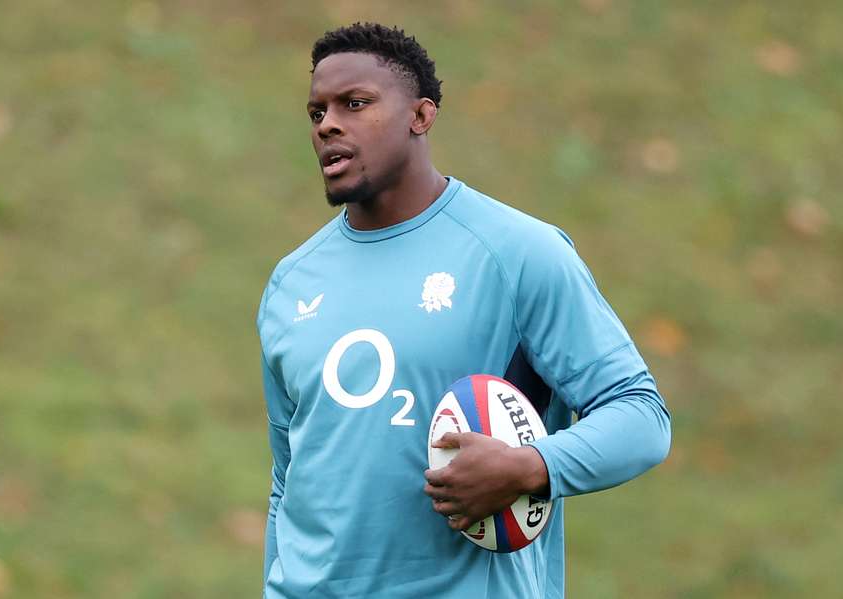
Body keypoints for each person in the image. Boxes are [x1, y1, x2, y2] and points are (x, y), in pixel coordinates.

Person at [257, 22, 671, 599]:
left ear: (420, 116)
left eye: (355, 104)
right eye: (316, 112)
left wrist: (530, 467)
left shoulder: (519, 253)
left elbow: (641, 417)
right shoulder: (292, 283)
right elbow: (288, 482)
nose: (328, 124)